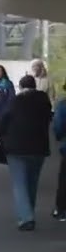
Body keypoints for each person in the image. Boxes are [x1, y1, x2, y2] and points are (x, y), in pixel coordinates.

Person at [0, 74, 54, 230]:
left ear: (20, 87)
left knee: (19, 183)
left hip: (16, 149)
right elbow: (49, 118)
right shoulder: (44, 101)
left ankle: (26, 218)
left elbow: (2, 121)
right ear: (34, 86)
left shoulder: (15, 101)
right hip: (39, 148)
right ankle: (28, 213)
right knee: (32, 183)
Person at [52, 79, 66, 219]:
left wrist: (59, 138)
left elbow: (58, 126)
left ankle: (62, 209)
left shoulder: (63, 105)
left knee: (64, 179)